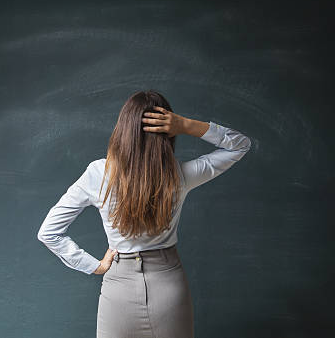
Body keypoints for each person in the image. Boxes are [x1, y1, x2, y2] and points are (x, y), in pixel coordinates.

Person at [37, 90, 253, 338]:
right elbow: (239, 144)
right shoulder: (179, 176)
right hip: (169, 285)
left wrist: (95, 266)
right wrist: (186, 125)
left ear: (123, 129)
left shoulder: (98, 174)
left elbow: (49, 232)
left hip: (118, 290)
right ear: (167, 134)